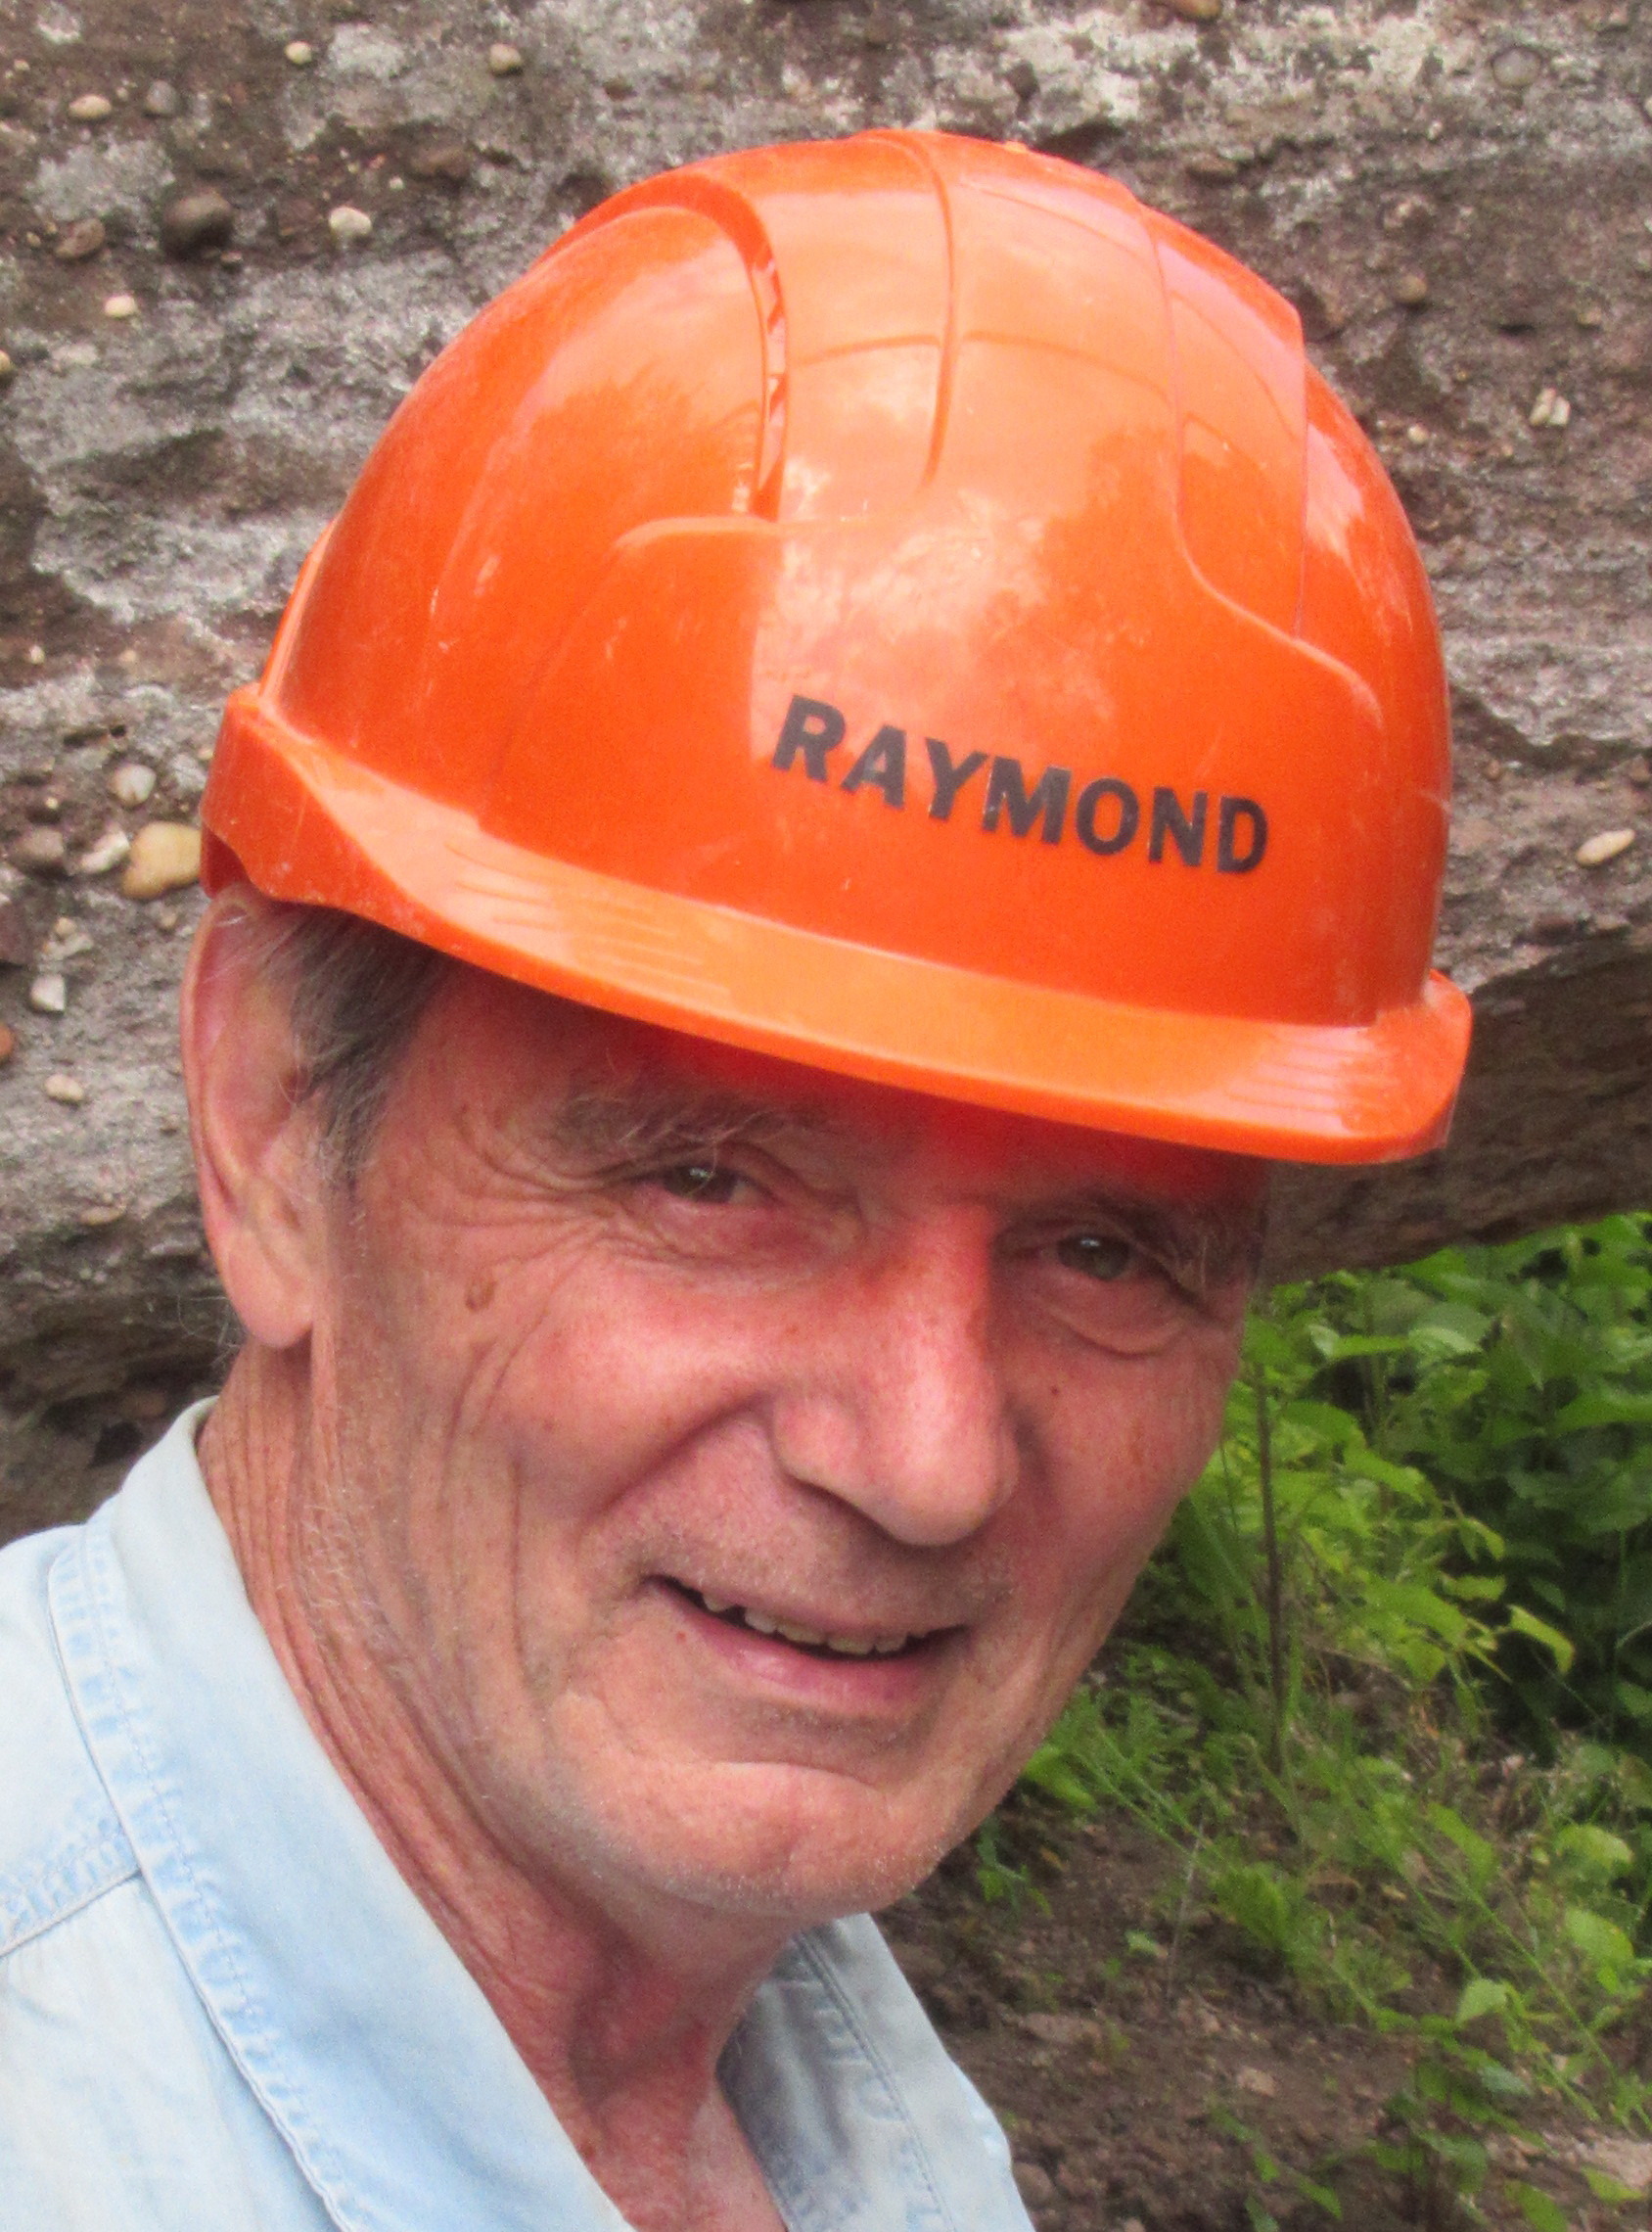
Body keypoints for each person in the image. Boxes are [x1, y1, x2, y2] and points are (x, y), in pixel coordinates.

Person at [0, 132, 1469, 2230]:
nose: (929, 1461)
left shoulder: (810, 2101)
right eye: (712, 1180)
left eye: (1104, 1248)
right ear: (273, 1123)